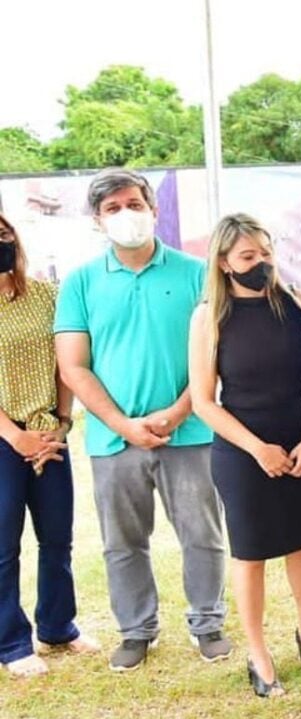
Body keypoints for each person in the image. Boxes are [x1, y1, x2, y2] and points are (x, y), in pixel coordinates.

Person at [54, 168, 230, 672]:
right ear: (97, 220)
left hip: (190, 431)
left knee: (202, 532)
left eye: (134, 204)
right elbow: (74, 366)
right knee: (123, 542)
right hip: (114, 440)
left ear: (154, 210)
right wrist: (123, 424)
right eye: (113, 209)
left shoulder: (197, 273)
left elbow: (214, 352)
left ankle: (208, 623)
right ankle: (136, 631)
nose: (126, 215)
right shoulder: (81, 282)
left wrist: (179, 410)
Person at [189, 214, 301, 698]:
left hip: (300, 445)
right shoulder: (210, 316)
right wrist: (256, 449)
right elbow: (204, 401)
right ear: (225, 263)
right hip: (243, 451)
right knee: (250, 555)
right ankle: (258, 653)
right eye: (249, 257)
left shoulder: (295, 304)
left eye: (266, 254)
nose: (261, 264)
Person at [0, 213, 99, 677]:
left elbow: (66, 364)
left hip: (48, 432)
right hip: (6, 437)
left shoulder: (45, 295)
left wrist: (61, 423)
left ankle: (59, 626)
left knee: (57, 537)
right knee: (4, 545)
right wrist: (15, 436)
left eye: (3, 233)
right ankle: (12, 643)